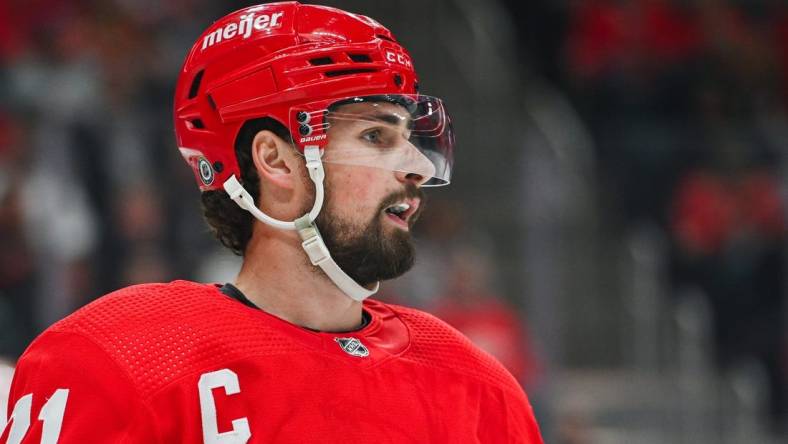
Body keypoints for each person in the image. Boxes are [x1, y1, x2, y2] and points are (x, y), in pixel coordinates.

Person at [1, 2, 543, 442]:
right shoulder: (126, 359)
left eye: (409, 139)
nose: (418, 168)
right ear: (276, 160)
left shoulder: (476, 387)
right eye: (376, 137)